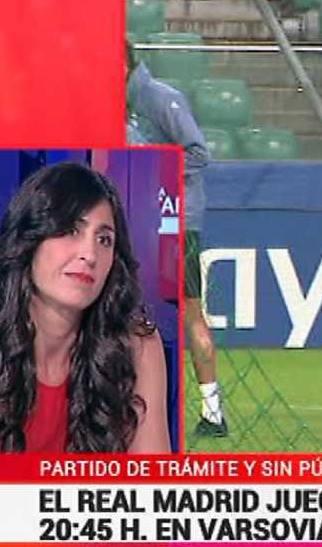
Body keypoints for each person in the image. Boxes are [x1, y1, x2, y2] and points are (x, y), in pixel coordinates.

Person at [0, 163, 170, 453]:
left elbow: (152, 477)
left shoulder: (137, 346)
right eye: (71, 230)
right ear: (30, 240)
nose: (89, 254)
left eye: (104, 240)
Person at [125, 40, 227, 437]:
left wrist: (154, 166)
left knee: (189, 311)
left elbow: (199, 153)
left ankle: (212, 411)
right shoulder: (119, 105)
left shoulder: (160, 98)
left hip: (177, 221)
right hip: (141, 216)